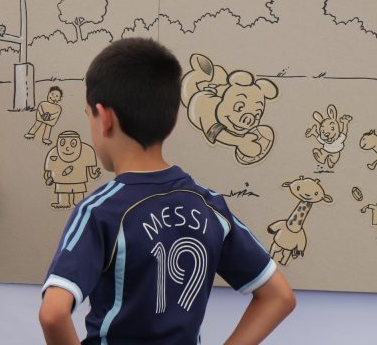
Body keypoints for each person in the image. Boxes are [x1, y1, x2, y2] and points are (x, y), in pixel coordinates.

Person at [39, 38, 295, 345]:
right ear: (173, 121)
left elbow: (53, 314)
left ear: (104, 118)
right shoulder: (209, 205)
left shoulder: (100, 211)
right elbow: (279, 296)